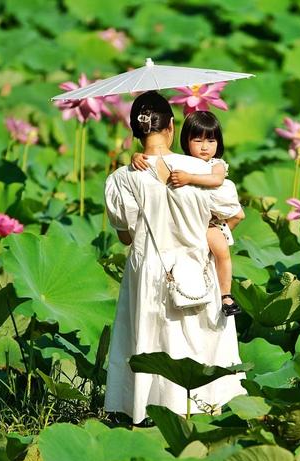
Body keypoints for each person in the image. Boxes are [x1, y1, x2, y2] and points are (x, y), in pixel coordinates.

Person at [103, 91, 246, 422]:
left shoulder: (121, 179)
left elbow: (125, 236)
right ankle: (199, 413)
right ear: (171, 126)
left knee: (148, 339)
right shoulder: (203, 171)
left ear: (135, 132)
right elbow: (231, 212)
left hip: (147, 265)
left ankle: (143, 412)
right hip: (194, 265)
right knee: (194, 339)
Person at [133, 111, 244, 317]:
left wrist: (189, 178)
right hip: (180, 227)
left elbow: (217, 180)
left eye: (211, 140)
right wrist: (137, 156)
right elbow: (157, 156)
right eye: (198, 140)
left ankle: (226, 295)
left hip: (209, 224)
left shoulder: (215, 165)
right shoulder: (178, 160)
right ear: (185, 140)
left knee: (221, 252)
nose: (205, 147)